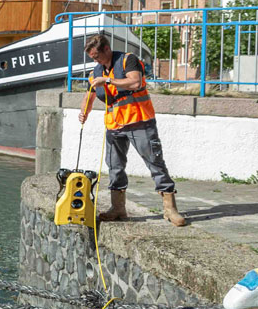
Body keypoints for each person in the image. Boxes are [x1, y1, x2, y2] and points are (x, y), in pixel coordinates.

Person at [78, 32, 187, 227]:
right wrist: (83, 112)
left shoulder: (128, 60)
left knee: (155, 163)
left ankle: (170, 210)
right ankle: (118, 208)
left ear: (106, 49)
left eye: (97, 56)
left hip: (139, 121)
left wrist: (108, 81)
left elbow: (135, 82)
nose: (95, 60)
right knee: (115, 166)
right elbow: (90, 96)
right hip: (114, 125)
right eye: (92, 58)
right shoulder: (96, 72)